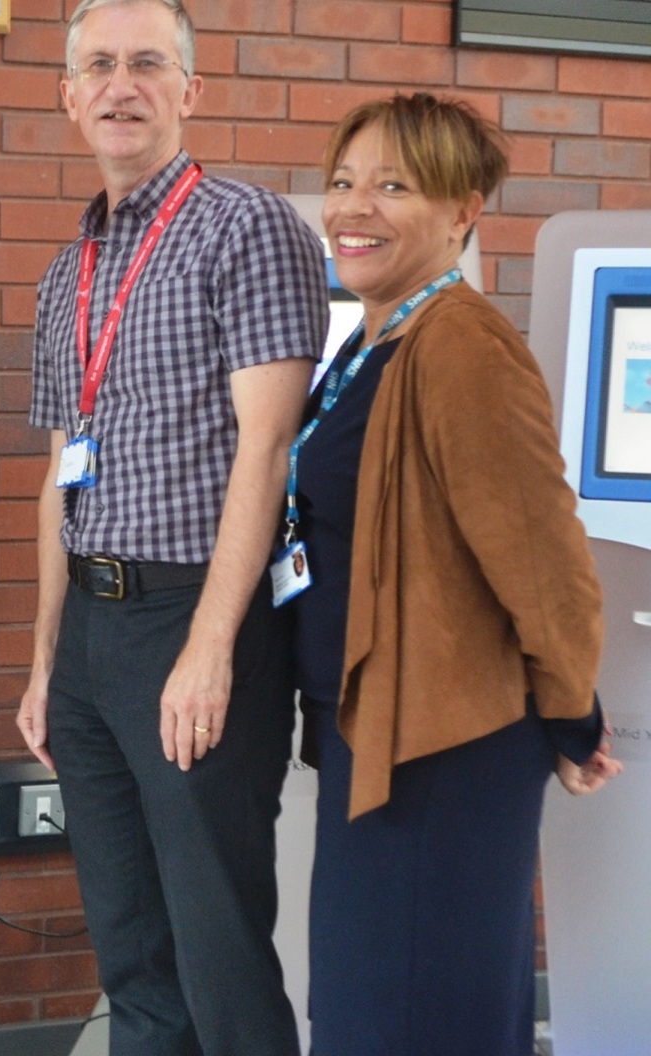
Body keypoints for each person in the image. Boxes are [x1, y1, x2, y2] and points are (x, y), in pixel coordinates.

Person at [14, 1, 331, 1053]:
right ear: (67, 96)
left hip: (194, 619)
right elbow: (60, 472)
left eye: (147, 63)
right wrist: (43, 663)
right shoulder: (69, 271)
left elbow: (267, 446)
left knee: (215, 945)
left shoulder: (245, 228)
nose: (120, 85)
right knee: (130, 949)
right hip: (91, 642)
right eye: (96, 65)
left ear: (188, 90)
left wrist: (206, 647)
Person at [296, 93, 622, 1056]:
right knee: (382, 1009)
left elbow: (542, 556)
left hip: (445, 758)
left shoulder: (464, 346)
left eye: (393, 185)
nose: (355, 207)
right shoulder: (374, 340)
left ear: (465, 210)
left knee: (413, 1017)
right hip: (382, 740)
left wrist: (574, 714)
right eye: (345, 182)